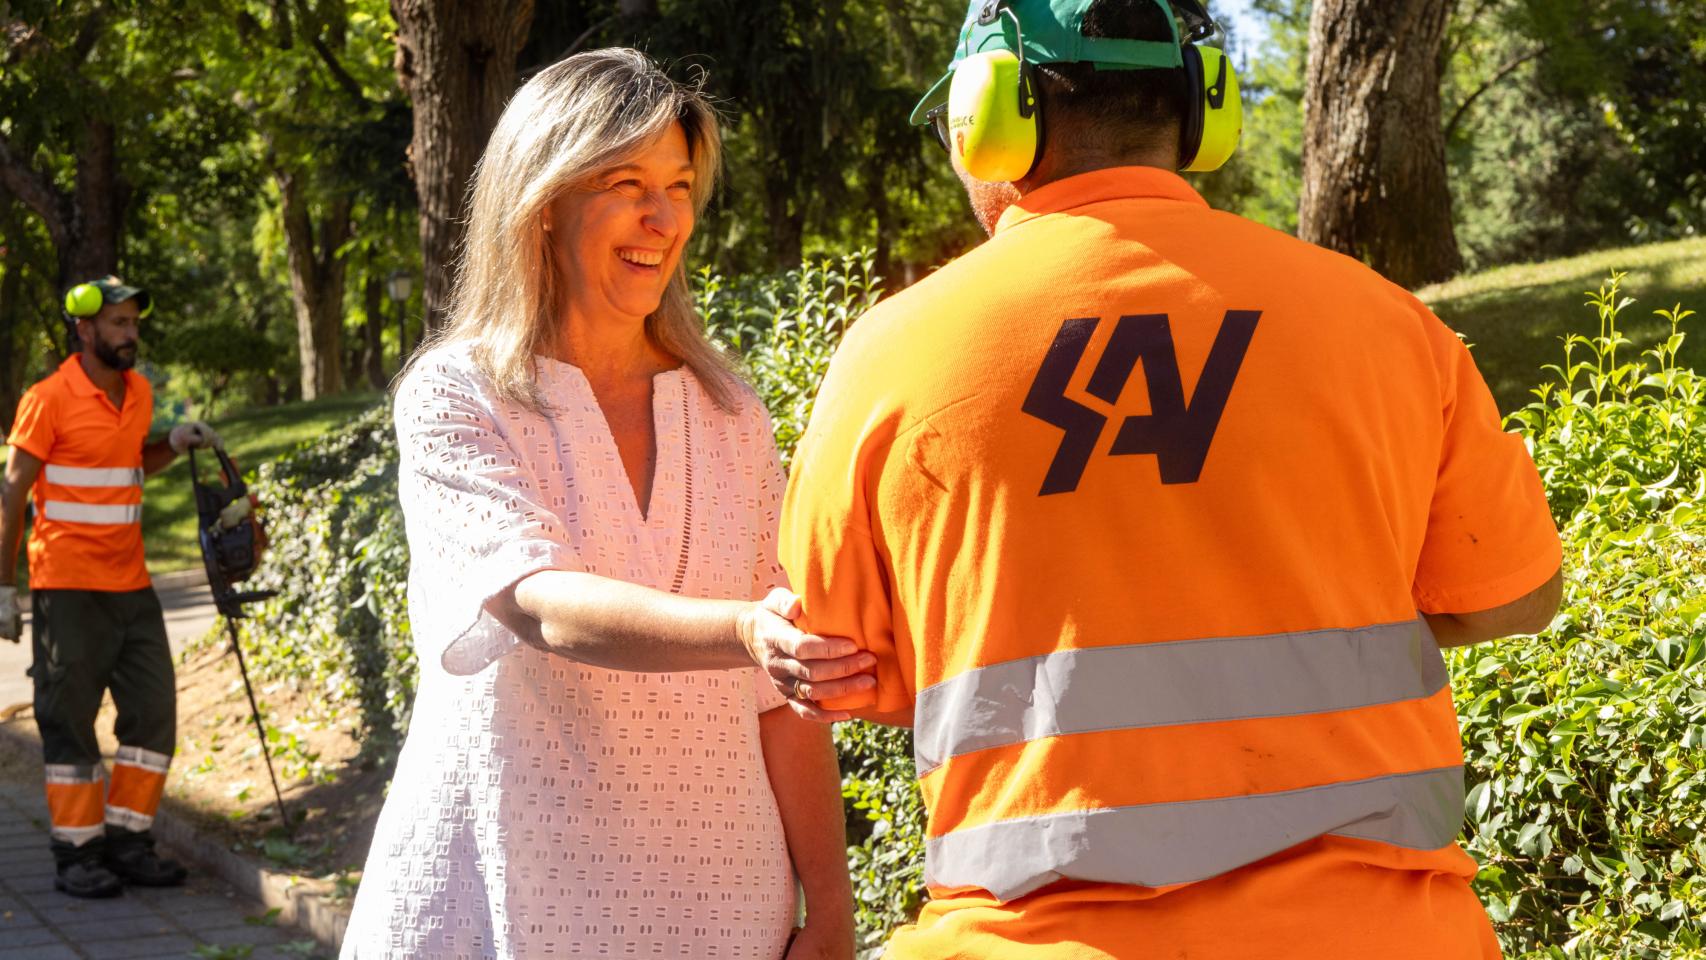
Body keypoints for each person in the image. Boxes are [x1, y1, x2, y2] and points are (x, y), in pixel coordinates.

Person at [779, 1, 1564, 957]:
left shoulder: (888, 356)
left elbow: (850, 666)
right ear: (1203, 111)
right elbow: (1514, 597)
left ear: (988, 123)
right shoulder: (1389, 326)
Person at [340, 49, 868, 960]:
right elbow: (535, 600)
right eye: (626, 182)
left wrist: (830, 902)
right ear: (543, 201)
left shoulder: (730, 411)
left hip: (720, 904)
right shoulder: (456, 395)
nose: (662, 217)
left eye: (679, 184)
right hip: (504, 896)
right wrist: (747, 629)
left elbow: (778, 701)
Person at [0, 275, 223, 898]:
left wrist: (172, 445)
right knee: (69, 721)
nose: (131, 335)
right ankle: (77, 853)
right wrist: (3, 588)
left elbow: (130, 461)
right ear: (85, 329)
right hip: (66, 586)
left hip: (133, 585)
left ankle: (129, 842)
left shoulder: (140, 392)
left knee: (153, 716)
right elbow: (12, 492)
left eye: (134, 324)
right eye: (119, 324)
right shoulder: (48, 398)